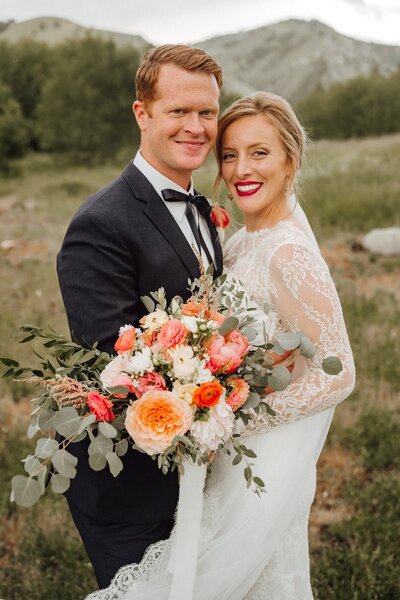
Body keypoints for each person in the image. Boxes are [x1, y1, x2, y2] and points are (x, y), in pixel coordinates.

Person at [85, 91, 355, 600]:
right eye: (229, 155)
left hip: (263, 457)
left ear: (290, 160)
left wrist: (232, 423)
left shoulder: (289, 252)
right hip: (225, 454)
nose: (240, 169)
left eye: (260, 152)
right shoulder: (240, 241)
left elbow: (339, 373)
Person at [57, 44, 224, 589]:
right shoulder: (100, 224)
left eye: (207, 112)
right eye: (178, 111)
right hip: (131, 489)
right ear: (142, 113)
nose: (196, 127)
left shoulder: (204, 209)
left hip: (200, 475)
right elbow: (114, 361)